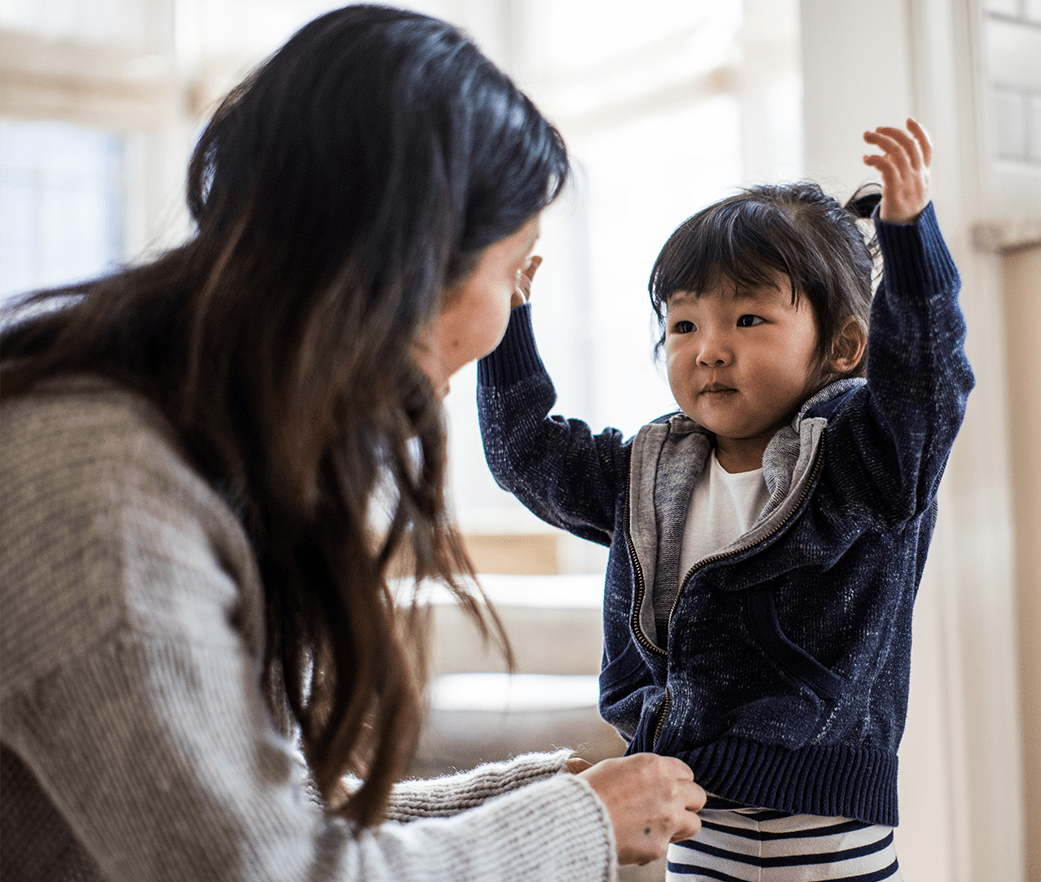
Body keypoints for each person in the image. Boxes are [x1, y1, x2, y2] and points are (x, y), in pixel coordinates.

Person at [0, 6, 705, 881]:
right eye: (514, 270)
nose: (504, 322)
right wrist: (576, 824)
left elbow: (272, 813)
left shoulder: (199, 454)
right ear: (413, 258)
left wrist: (547, 795)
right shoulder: (101, 501)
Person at [477, 118, 974, 880]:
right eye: (682, 323)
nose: (708, 346)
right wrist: (508, 324)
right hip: (696, 826)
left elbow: (925, 390)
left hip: (827, 829)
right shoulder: (647, 470)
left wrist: (911, 246)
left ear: (842, 346)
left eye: (748, 319)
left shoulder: (865, 462)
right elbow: (526, 457)